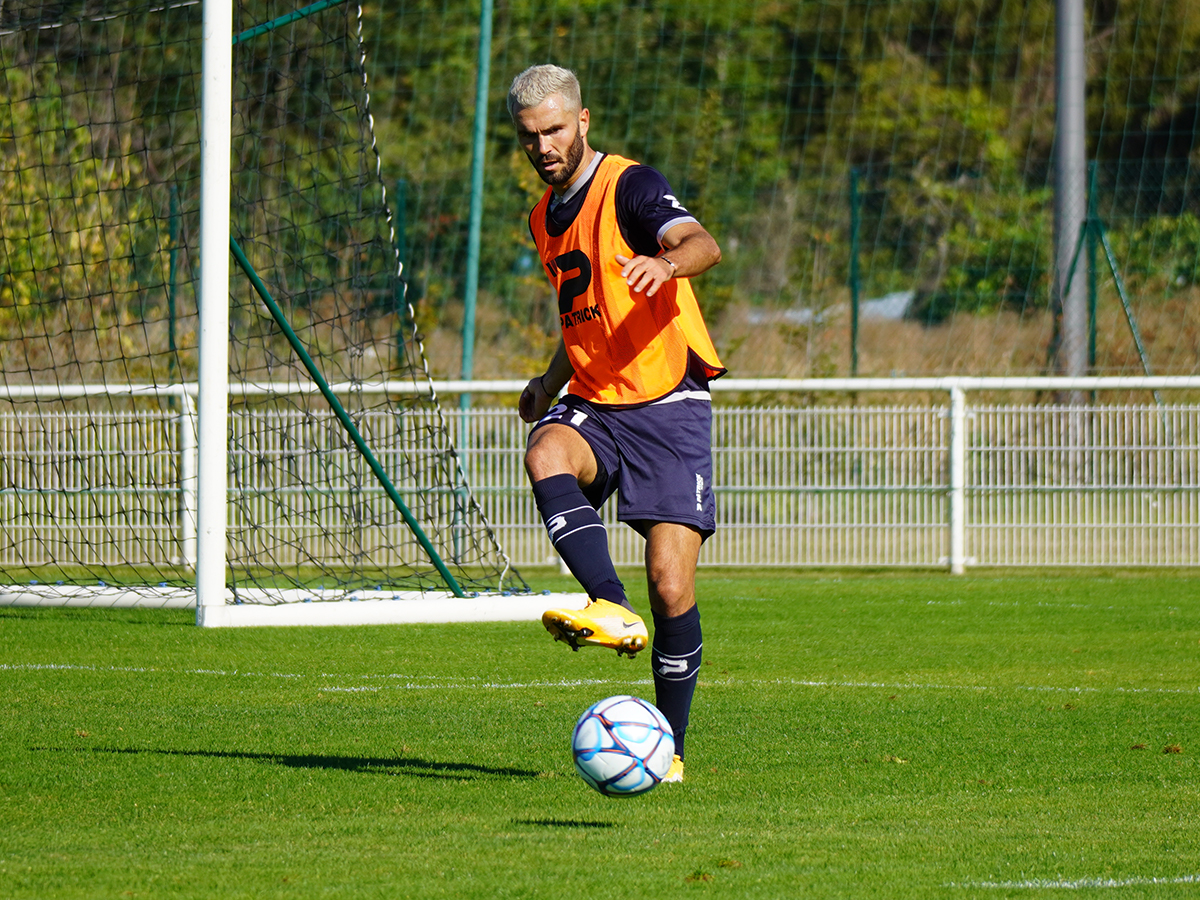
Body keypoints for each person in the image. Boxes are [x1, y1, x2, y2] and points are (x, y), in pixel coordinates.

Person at [509, 64, 726, 784]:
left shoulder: (629, 186)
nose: (544, 147)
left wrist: (668, 269)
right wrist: (549, 380)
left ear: (583, 121)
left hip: (667, 403)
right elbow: (585, 310)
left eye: (555, 130)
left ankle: (674, 751)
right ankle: (609, 604)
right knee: (546, 450)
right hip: (598, 400)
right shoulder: (543, 217)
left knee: (672, 585)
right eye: (530, 136)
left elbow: (700, 243)